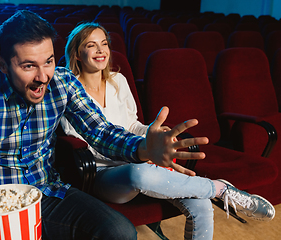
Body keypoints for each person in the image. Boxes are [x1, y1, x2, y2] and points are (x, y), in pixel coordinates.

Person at [0, 10, 273, 240]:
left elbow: (100, 130)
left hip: (47, 190)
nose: (43, 76)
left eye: (48, 61)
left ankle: (219, 189)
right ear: (3, 64)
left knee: (119, 231)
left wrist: (144, 146)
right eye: (29, 66)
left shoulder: (62, 82)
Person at [60, 22, 276, 240]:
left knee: (200, 203)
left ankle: (212, 191)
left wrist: (153, 138)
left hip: (141, 159)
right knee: (139, 172)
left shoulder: (119, 81)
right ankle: (219, 188)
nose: (100, 50)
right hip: (106, 175)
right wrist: (142, 150)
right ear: (77, 54)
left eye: (104, 44)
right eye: (91, 45)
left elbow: (133, 125)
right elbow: (90, 146)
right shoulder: (68, 93)